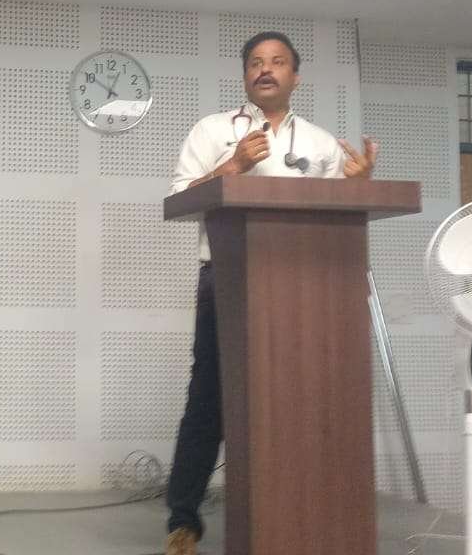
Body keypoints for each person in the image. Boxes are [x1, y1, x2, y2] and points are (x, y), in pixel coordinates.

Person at [164, 31, 379, 555]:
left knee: (303, 396)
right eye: (256, 62)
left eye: (278, 62)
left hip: (305, 289)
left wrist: (358, 185)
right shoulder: (213, 130)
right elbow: (179, 201)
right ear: (245, 76)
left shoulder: (322, 144)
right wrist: (232, 166)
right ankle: (183, 521)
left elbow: (337, 218)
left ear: (295, 77)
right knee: (209, 399)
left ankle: (303, 511)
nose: (266, 69)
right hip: (227, 278)